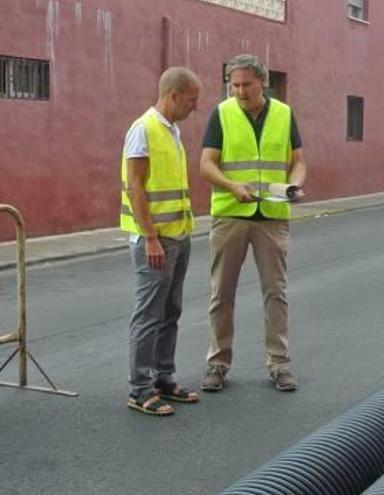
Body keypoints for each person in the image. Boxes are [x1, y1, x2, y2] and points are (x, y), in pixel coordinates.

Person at [199, 54, 307, 393]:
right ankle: (218, 362)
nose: (240, 91)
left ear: (263, 82)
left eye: (246, 84)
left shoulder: (285, 114)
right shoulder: (222, 113)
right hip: (231, 213)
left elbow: (298, 162)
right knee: (222, 293)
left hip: (272, 217)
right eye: (234, 85)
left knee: (275, 292)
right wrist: (232, 186)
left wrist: (295, 186)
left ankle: (279, 363)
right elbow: (206, 163)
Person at [121, 67, 202, 416]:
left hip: (178, 236)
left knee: (171, 311)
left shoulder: (172, 131)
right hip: (155, 241)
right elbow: (135, 187)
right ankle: (139, 390)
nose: (195, 106)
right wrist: (151, 237)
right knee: (149, 315)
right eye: (192, 99)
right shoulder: (143, 129)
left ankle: (163, 379)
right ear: (173, 94)